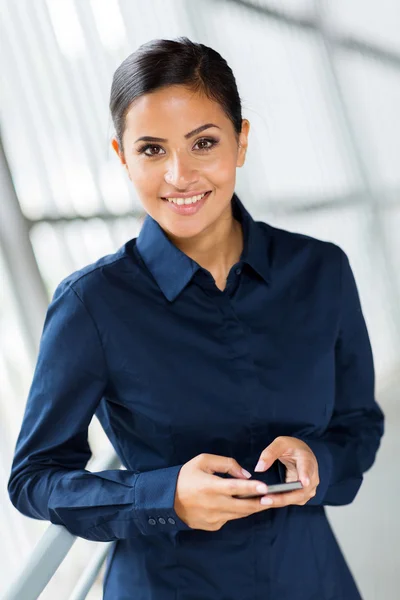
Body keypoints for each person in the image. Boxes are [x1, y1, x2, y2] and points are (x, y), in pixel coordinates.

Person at [8, 37, 384, 600]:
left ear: (242, 141)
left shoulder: (320, 271)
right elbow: (34, 478)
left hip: (309, 577)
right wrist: (164, 496)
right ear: (122, 157)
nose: (180, 175)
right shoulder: (93, 304)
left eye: (203, 142)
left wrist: (319, 460)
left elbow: (359, 425)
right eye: (153, 150)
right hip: (168, 586)